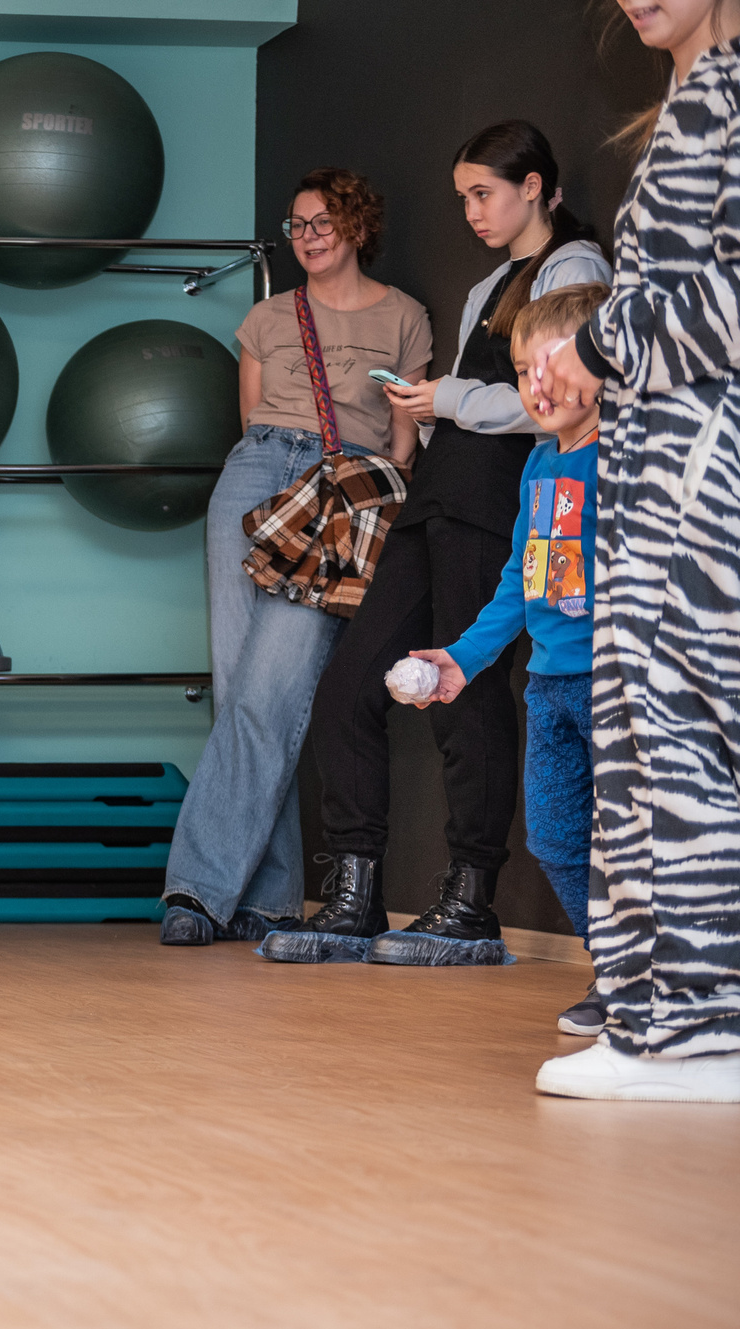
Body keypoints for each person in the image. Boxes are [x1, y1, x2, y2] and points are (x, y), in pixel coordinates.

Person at [266, 123, 608, 967]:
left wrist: (449, 396)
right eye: (461, 196)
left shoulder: (577, 271)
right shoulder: (494, 280)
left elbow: (556, 400)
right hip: (441, 491)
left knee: (470, 700)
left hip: (497, 494)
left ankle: (470, 900)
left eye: (483, 192)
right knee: (352, 679)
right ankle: (351, 893)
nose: (470, 211)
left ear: (534, 186)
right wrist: (437, 408)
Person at [529, 0, 740, 1101]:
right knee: (636, 728)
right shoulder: (679, 106)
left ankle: (705, 1028)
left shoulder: (733, 91)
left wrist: (604, 337)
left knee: (681, 723)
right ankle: (652, 1014)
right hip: (650, 463)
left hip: (708, 464)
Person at [159, 169, 430, 946]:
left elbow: (403, 440)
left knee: (272, 689)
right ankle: (270, 899)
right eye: (297, 225)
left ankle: (200, 889)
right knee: (238, 688)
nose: (307, 237)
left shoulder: (405, 317)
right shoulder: (268, 317)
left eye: (321, 222)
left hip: (341, 492)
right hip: (254, 479)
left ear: (355, 226)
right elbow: (252, 419)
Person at [401, 287, 608, 1031]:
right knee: (554, 837)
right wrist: (462, 659)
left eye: (549, 366)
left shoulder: (629, 459)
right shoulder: (538, 467)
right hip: (548, 687)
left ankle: (665, 980)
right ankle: (618, 972)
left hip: (619, 690)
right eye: (522, 371)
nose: (535, 387)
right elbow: (520, 586)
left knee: (638, 848)